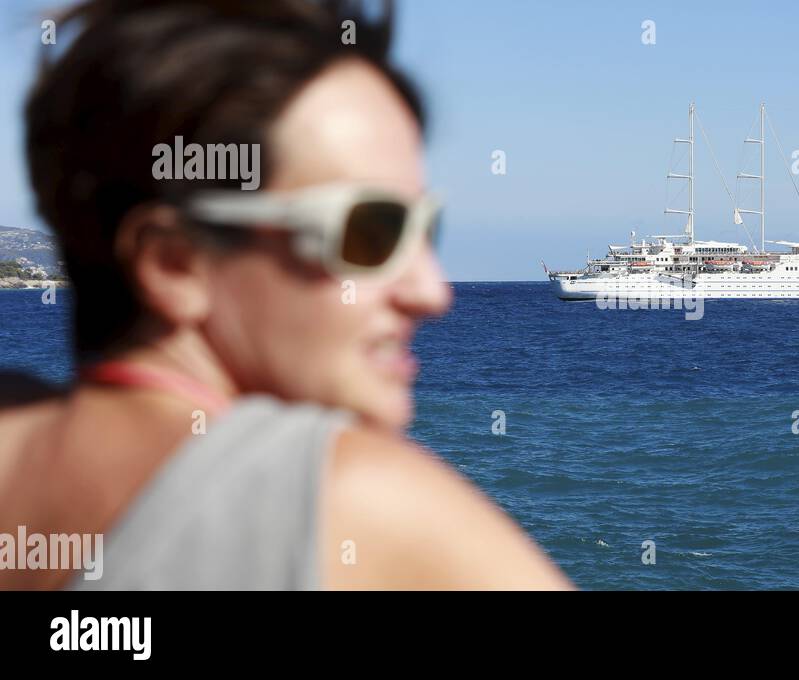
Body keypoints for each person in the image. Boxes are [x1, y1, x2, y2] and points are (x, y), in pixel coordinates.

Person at [0, 0, 572, 590]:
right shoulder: (351, 501)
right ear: (176, 264)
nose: (432, 292)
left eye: (425, 228)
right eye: (369, 231)